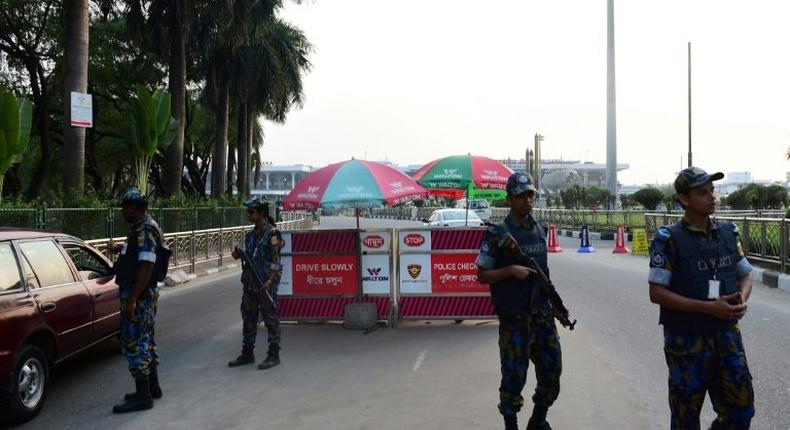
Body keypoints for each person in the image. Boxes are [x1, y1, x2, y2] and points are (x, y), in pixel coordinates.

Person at [648, 166, 755, 429]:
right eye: (702, 192)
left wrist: (741, 298)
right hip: (687, 343)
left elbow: (746, 274)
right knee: (685, 419)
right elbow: (657, 293)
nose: (712, 197)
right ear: (684, 199)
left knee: (741, 412)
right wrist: (708, 308)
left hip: (727, 339)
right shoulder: (668, 239)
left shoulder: (728, 233)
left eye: (712, 191)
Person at [476, 172, 561, 430]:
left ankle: (537, 420)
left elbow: (544, 273)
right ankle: (511, 424)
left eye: (530, 195)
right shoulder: (497, 233)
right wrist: (510, 271)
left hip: (542, 314)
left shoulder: (538, 228)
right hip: (515, 317)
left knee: (552, 370)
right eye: (521, 196)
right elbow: (482, 275)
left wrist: (556, 306)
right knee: (514, 375)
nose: (527, 200)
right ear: (509, 199)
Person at [110, 188, 166, 413]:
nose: (122, 211)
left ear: (133, 208)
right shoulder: (143, 228)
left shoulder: (145, 230)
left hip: (139, 297)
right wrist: (119, 249)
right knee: (146, 341)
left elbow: (147, 264)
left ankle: (143, 396)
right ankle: (152, 388)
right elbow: (137, 255)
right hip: (143, 295)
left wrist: (132, 299)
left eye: (124, 207)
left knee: (134, 342)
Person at [228, 196, 284, 370]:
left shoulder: (272, 233)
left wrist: (270, 280)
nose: (249, 215)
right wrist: (239, 255)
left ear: (261, 213)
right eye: (249, 212)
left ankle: (273, 354)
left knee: (270, 318)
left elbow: (276, 260)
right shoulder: (250, 235)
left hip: (265, 283)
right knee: (248, 317)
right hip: (251, 283)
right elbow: (250, 256)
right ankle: (247, 353)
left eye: (252, 212)